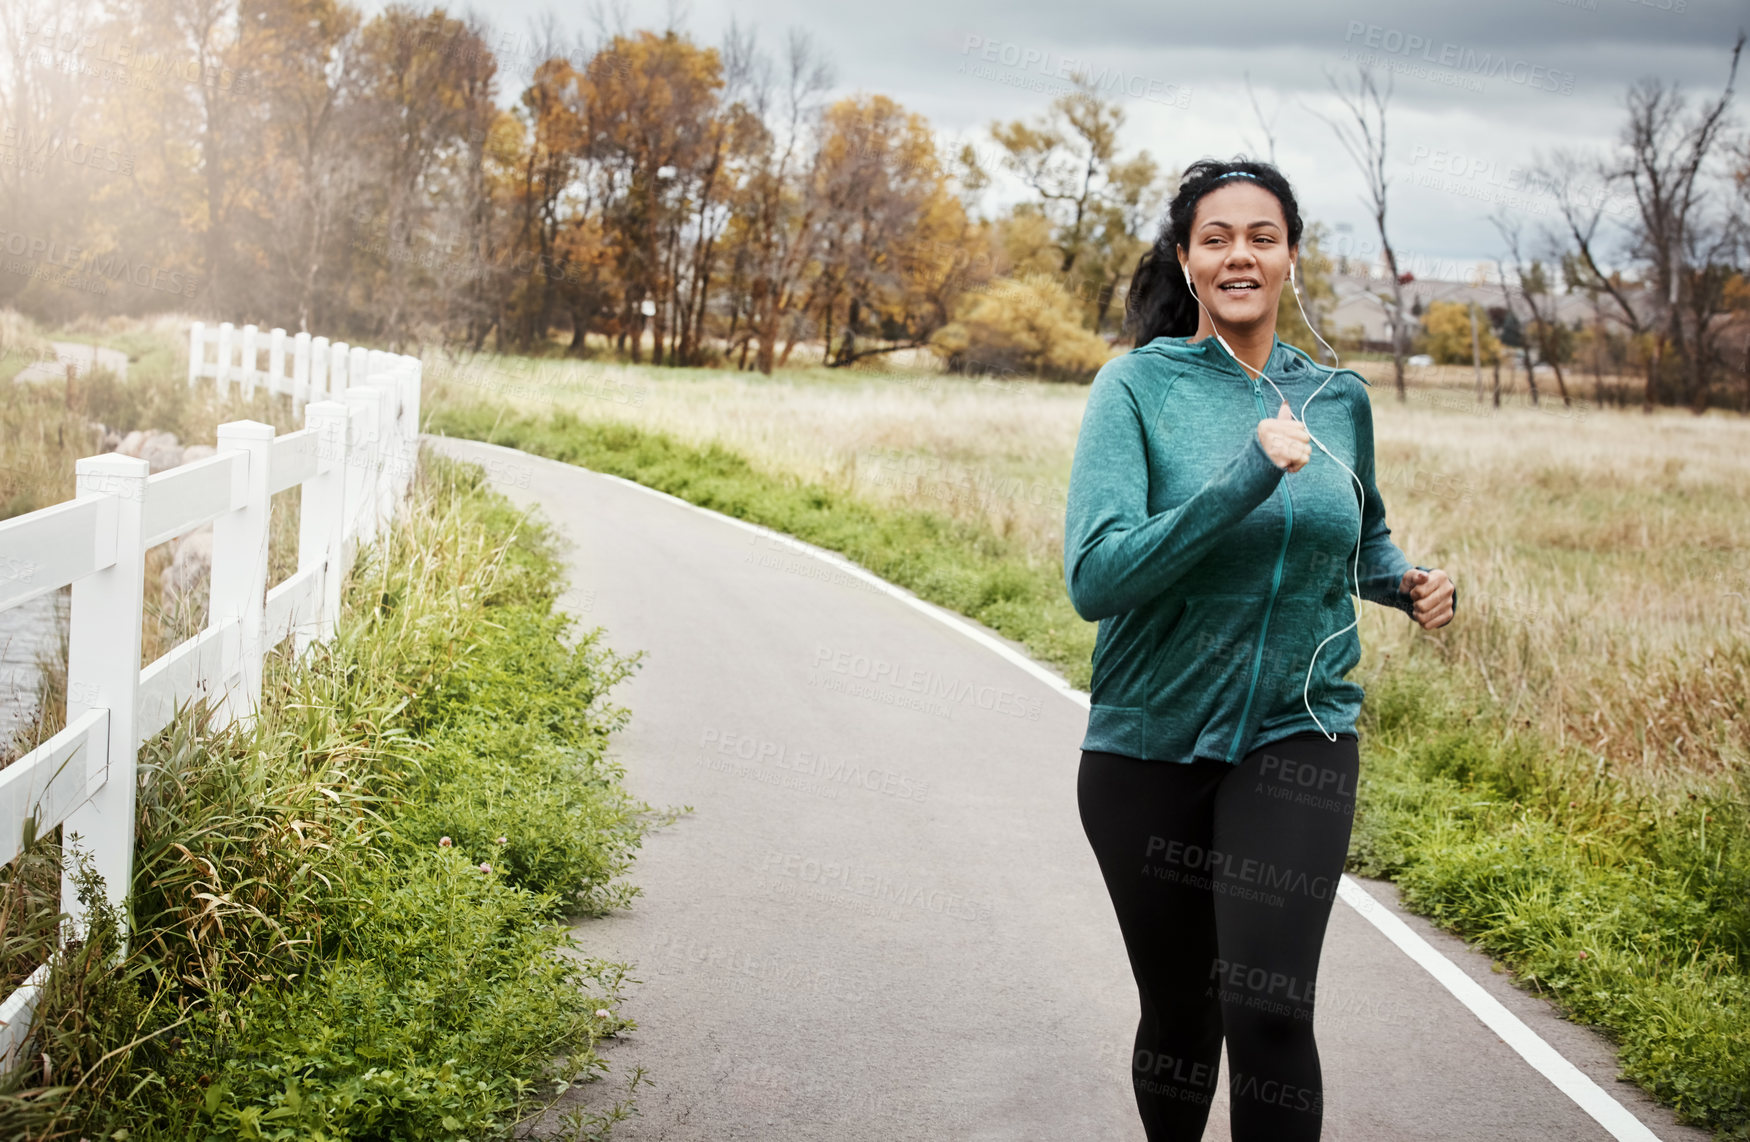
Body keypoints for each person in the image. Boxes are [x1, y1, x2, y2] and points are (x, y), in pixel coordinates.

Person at [1062, 157, 1457, 1141]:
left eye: (1261, 235)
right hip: (1146, 743)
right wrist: (1244, 473)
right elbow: (1097, 577)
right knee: (1183, 1013)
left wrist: (1405, 584)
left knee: (1270, 1005)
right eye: (1216, 237)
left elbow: (1355, 538)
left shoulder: (1336, 399)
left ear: (1289, 256)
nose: (1240, 253)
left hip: (1300, 730)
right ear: (1188, 261)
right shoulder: (1135, 390)